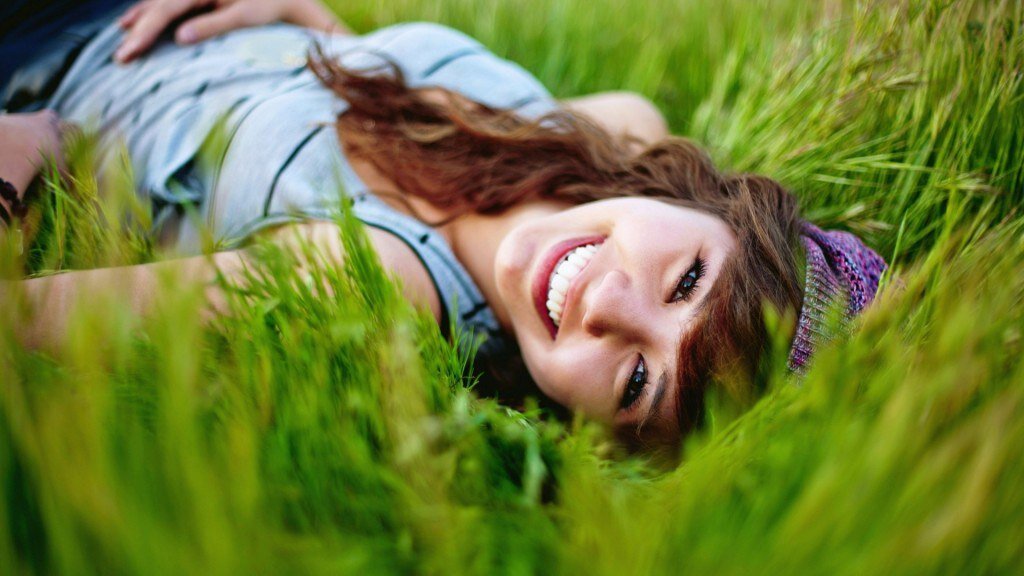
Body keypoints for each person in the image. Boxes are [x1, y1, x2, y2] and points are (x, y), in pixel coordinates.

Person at [0, 0, 886, 448]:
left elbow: (26, 320)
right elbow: (359, 107)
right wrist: (311, 24)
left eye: (635, 382)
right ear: (713, 207)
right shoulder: (617, 129)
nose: (610, 303)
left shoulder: (375, 281)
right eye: (687, 280)